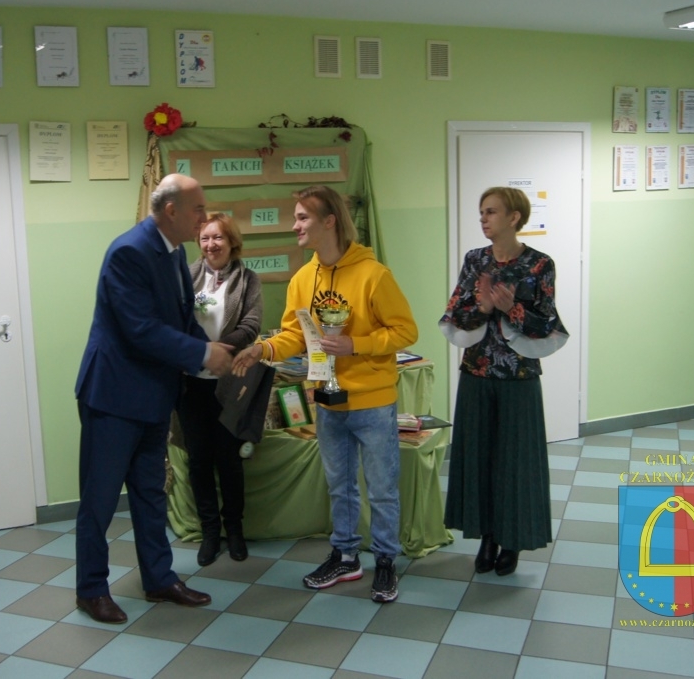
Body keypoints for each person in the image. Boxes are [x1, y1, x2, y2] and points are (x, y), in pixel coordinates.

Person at [232, 185, 417, 603]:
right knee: (339, 486)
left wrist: (356, 345)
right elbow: (295, 335)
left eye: (302, 217)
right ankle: (346, 556)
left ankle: (385, 561)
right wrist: (263, 349)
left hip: (373, 402)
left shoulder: (374, 275)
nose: (294, 225)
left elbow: (406, 330)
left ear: (329, 221)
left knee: (382, 488)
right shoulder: (303, 279)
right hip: (327, 400)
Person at [74, 173, 234, 624]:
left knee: (150, 494)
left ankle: (159, 579)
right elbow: (140, 329)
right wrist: (203, 353)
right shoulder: (129, 251)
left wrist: (209, 355)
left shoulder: (174, 251)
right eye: (198, 208)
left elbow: (179, 319)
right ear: (171, 211)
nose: (204, 216)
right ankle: (91, 589)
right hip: (113, 397)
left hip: (153, 396)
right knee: (100, 500)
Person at [439, 186, 568, 577]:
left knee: (516, 463)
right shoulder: (475, 260)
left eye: (491, 212)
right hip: (476, 374)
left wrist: (512, 309)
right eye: (481, 212)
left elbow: (547, 324)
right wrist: (482, 308)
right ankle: (487, 537)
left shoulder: (539, 265)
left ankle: (512, 540)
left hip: (518, 378)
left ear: (514, 217)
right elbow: (455, 315)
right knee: (479, 459)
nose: (483, 218)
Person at [177, 212, 263, 566]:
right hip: (190, 382)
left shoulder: (248, 279)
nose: (211, 244)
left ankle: (235, 529)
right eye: (205, 238)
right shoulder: (187, 275)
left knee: (229, 461)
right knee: (199, 460)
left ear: (231, 242)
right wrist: (200, 353)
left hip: (229, 383)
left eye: (218, 238)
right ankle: (210, 531)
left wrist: (218, 351)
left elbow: (252, 324)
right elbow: (177, 319)